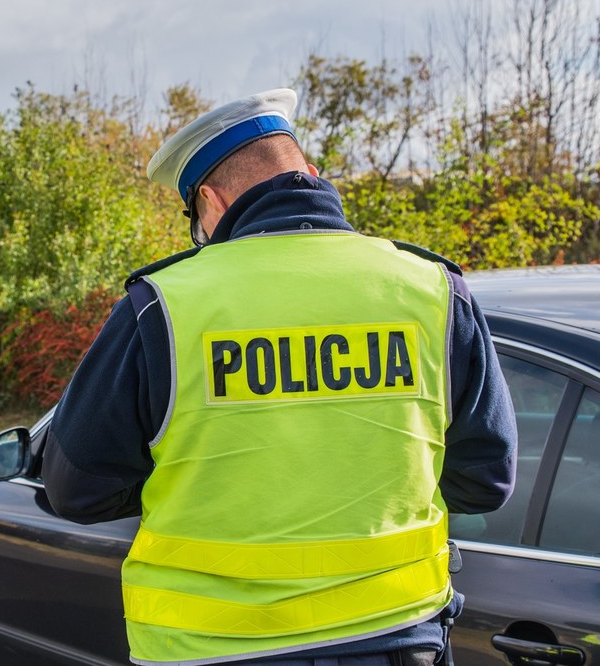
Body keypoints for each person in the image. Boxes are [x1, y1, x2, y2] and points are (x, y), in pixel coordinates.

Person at [42, 88, 518, 666]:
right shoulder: (433, 290)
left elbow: (74, 489)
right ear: (311, 174)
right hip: (399, 637)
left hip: (210, 648)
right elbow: (486, 481)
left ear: (210, 204)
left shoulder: (162, 306)